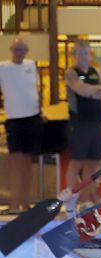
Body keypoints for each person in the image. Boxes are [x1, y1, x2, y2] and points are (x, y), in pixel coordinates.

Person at [65, 39, 101, 206]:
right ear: (74, 55)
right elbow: (80, 89)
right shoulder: (71, 72)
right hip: (79, 123)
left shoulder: (98, 72)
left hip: (96, 123)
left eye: (85, 53)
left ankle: (88, 199)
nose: (83, 56)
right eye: (79, 53)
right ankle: (72, 199)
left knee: (92, 164)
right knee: (76, 163)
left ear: (90, 54)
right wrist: (97, 91)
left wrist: (92, 91)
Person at [0, 38, 44, 215]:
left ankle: (25, 203)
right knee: (15, 162)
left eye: (22, 49)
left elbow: (35, 91)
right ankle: (14, 203)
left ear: (27, 50)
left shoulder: (31, 65)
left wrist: (41, 111)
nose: (19, 51)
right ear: (11, 49)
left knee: (28, 162)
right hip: (14, 120)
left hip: (32, 118)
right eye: (17, 48)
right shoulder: (3, 67)